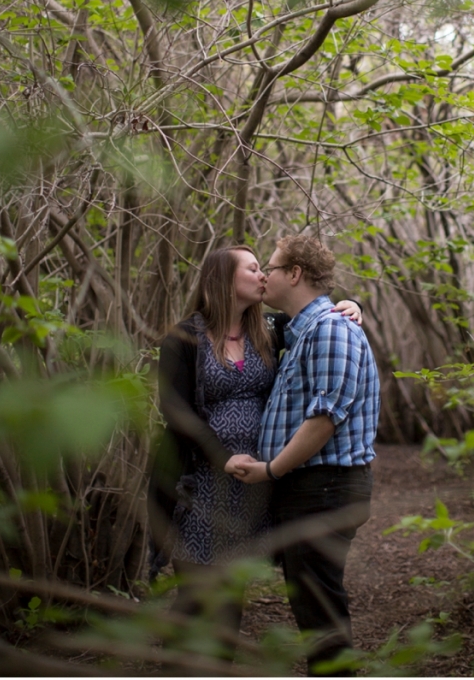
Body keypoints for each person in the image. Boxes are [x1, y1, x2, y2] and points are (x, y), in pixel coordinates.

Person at [146, 244, 362, 646]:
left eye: (265, 268)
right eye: (253, 268)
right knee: (197, 594)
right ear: (223, 279)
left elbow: (316, 314)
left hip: (253, 487)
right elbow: (176, 412)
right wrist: (223, 457)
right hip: (203, 484)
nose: (263, 275)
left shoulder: (270, 329)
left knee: (231, 598)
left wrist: (351, 304)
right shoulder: (184, 338)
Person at [233, 235, 380, 677]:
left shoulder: (331, 329)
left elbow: (324, 419)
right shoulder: (302, 331)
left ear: (294, 274)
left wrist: (270, 470)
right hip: (312, 486)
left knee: (319, 611)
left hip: (324, 486)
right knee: (313, 604)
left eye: (271, 268)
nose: (264, 276)